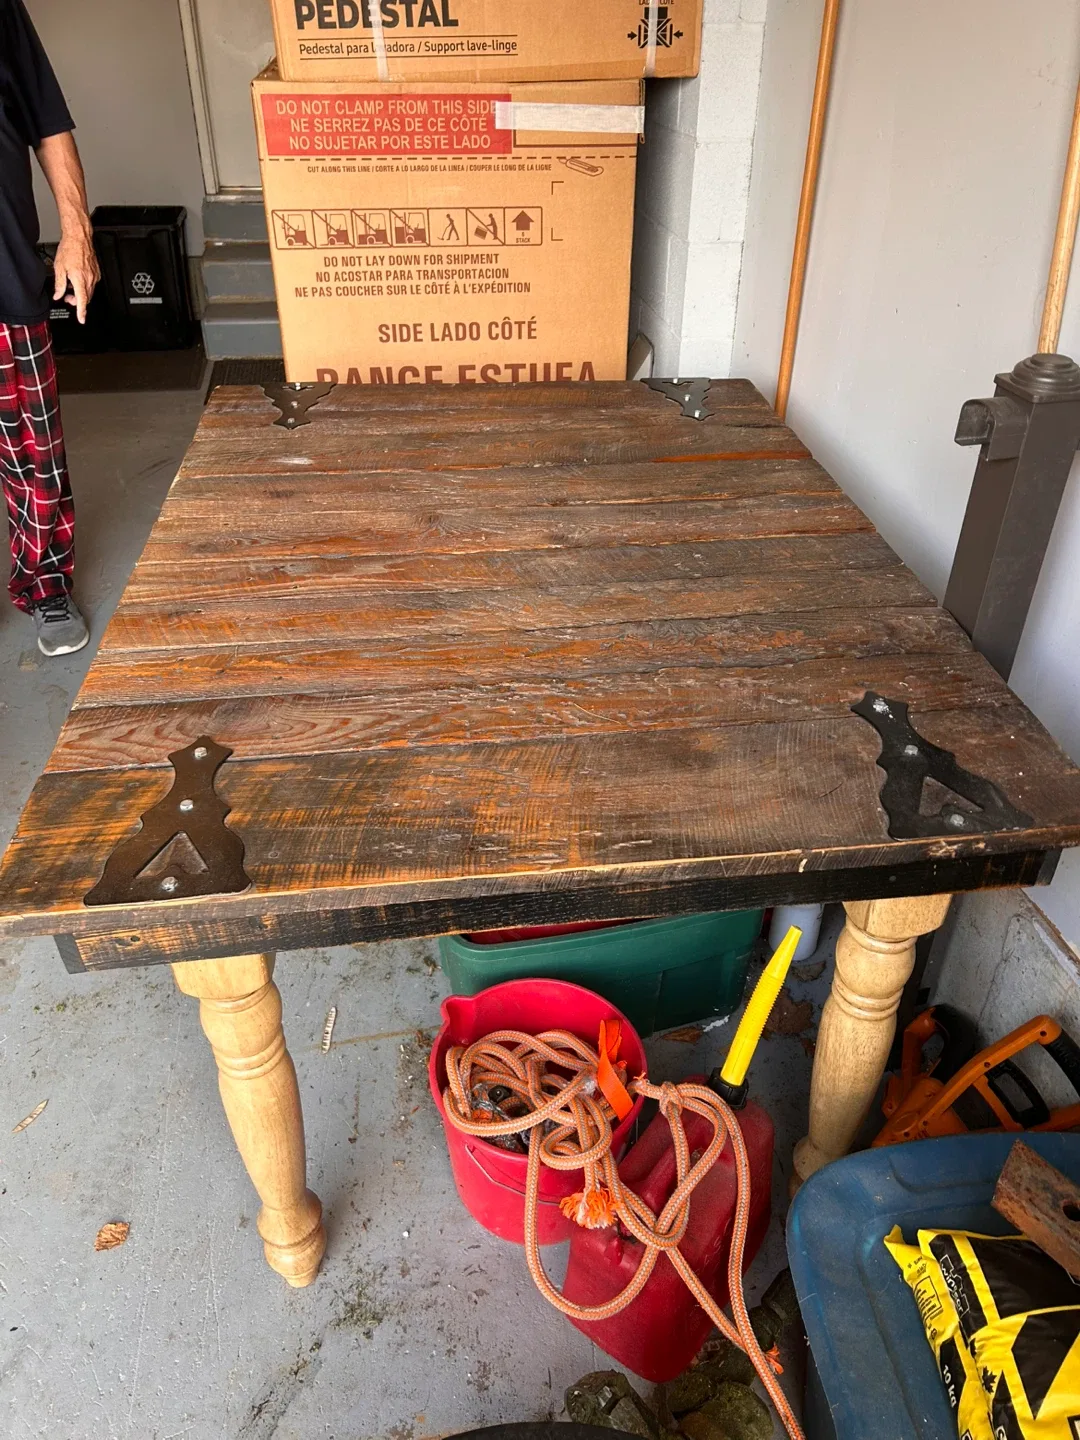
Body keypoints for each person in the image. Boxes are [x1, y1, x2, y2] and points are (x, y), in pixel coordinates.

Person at [1, 0, 98, 656]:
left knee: (36, 452)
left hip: (4, 272)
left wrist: (76, 231)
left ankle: (47, 583)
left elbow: (48, 118)